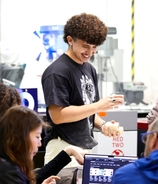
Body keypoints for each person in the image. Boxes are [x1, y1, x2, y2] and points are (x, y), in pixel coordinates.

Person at [41, 12, 124, 168]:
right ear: (70, 40)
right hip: (63, 149)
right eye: (85, 46)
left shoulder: (89, 69)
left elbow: (87, 112)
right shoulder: (57, 72)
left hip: (85, 149)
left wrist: (103, 125)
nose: (90, 52)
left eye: (94, 47)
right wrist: (99, 106)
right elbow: (57, 116)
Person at [0, 105, 85, 184]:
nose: (40, 144)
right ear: (21, 137)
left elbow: (34, 178)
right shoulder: (7, 172)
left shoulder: (6, 166)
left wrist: (68, 151)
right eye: (37, 137)